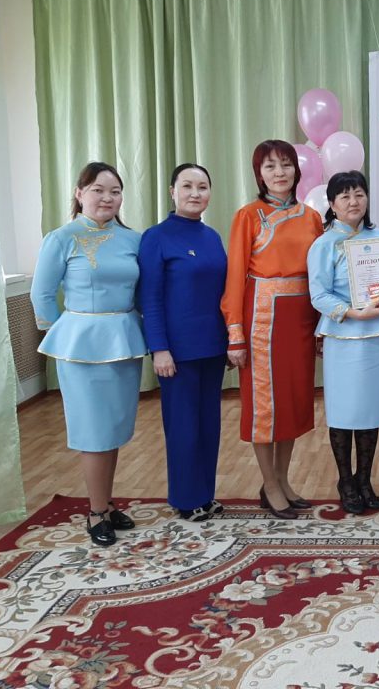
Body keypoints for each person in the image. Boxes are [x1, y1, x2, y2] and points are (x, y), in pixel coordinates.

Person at [31, 162, 147, 547]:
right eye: (98, 190)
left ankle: (107, 503)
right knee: (93, 431)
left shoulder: (133, 240)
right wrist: (64, 336)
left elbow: (142, 293)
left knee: (114, 428)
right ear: (80, 193)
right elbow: (41, 295)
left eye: (115, 191)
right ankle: (96, 512)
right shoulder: (62, 238)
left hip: (124, 342)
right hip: (81, 348)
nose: (107, 198)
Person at [221, 139, 323, 520]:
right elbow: (235, 278)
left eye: (286, 164)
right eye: (270, 166)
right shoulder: (248, 216)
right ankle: (269, 482)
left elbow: (320, 276)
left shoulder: (311, 217)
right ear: (259, 174)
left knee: (293, 401)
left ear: (297, 170)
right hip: (263, 318)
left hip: (301, 319)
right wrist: (235, 332)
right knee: (264, 407)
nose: (279, 173)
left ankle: (281, 480)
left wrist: (322, 326)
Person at [307, 171, 379, 514]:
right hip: (345, 336)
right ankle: (345, 481)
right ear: (332, 204)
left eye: (359, 194)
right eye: (345, 196)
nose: (353, 201)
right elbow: (318, 294)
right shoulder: (323, 244)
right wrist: (352, 313)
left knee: (370, 410)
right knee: (344, 411)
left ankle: (365, 479)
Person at [138, 163, 227, 522]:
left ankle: (206, 494)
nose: (195, 193)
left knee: (209, 425)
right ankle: (186, 498)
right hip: (176, 352)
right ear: (172, 192)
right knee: (183, 428)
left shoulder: (212, 237)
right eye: (187, 186)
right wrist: (159, 348)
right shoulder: (156, 237)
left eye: (202, 186)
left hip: (213, 346)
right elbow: (150, 298)